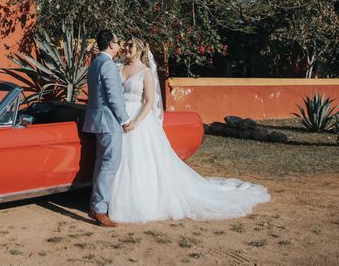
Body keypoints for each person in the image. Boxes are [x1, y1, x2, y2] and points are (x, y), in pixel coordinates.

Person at [109, 36, 270, 223]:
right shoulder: (118, 66)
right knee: (121, 160)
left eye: (131, 45)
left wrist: (136, 123)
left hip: (139, 121)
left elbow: (149, 101)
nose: (127, 48)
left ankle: (138, 200)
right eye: (126, 44)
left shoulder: (145, 73)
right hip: (119, 119)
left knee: (138, 161)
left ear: (141, 50)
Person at [83, 30, 132, 227]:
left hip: (97, 120)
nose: (119, 45)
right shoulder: (108, 65)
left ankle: (94, 206)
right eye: (117, 42)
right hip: (109, 122)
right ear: (111, 44)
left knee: (101, 163)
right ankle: (100, 209)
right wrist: (125, 120)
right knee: (110, 164)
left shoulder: (95, 63)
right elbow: (113, 96)